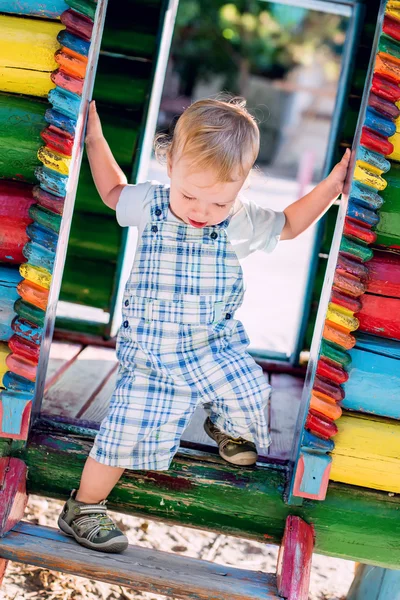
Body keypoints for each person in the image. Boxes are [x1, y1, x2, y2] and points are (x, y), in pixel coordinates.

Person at [58, 97, 350, 553]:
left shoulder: (239, 221)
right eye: (189, 195)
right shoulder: (151, 206)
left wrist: (332, 185)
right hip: (152, 354)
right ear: (169, 163)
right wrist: (94, 139)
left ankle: (227, 427)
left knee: (251, 388)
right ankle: (84, 507)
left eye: (220, 200)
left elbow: (290, 224)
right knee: (126, 426)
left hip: (210, 345)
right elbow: (113, 190)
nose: (201, 209)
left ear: (241, 186)